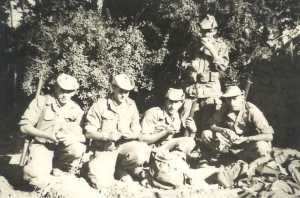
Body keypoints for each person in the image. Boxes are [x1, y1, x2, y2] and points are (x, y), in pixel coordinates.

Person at [114, 88, 196, 185]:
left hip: (162, 150)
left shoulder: (176, 116)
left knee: (189, 141)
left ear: (181, 103)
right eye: (170, 102)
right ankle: (129, 170)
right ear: (165, 100)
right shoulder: (153, 113)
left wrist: (193, 131)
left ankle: (173, 164)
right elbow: (142, 139)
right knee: (139, 154)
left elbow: (179, 141)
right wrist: (164, 132)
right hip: (147, 150)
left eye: (176, 102)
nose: (173, 106)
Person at [19, 73, 86, 187]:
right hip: (42, 145)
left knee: (78, 148)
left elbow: (84, 136)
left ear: (74, 92)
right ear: (56, 88)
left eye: (69, 91)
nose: (65, 94)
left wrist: (71, 137)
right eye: (62, 90)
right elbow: (24, 127)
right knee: (34, 177)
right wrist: (47, 135)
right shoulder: (41, 101)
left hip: (61, 149)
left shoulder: (76, 109)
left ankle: (60, 167)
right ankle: (40, 166)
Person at [85, 73, 141, 188]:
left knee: (140, 152)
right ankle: (93, 165)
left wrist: (130, 135)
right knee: (101, 184)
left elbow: (137, 130)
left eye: (127, 92)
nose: (124, 95)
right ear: (113, 88)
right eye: (121, 91)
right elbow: (88, 132)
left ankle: (120, 168)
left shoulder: (131, 105)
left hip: (123, 148)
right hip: (105, 149)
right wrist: (107, 136)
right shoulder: (100, 105)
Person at [201, 85, 274, 163]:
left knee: (261, 146)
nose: (232, 102)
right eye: (228, 99)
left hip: (249, 143)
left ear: (241, 97)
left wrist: (247, 139)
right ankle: (227, 155)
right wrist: (222, 130)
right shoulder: (225, 107)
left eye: (234, 98)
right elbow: (211, 124)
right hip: (233, 142)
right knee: (206, 134)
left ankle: (243, 159)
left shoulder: (252, 110)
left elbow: (269, 136)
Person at [182, 14, 228, 127]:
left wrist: (212, 50)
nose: (204, 34)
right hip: (193, 88)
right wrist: (189, 65)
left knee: (207, 122)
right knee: (185, 120)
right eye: (203, 31)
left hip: (211, 89)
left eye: (208, 31)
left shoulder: (221, 46)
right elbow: (183, 63)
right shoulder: (194, 45)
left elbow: (223, 67)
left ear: (214, 31)